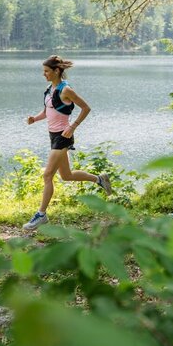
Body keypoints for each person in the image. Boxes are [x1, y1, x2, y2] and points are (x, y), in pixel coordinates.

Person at [22, 55, 112, 230]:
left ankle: (41, 215)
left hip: (63, 137)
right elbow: (47, 112)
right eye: (43, 71)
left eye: (47, 71)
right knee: (67, 176)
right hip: (53, 136)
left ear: (57, 71)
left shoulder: (66, 90)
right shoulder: (50, 89)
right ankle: (99, 179)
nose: (44, 74)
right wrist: (35, 118)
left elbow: (86, 108)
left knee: (47, 175)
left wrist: (73, 126)